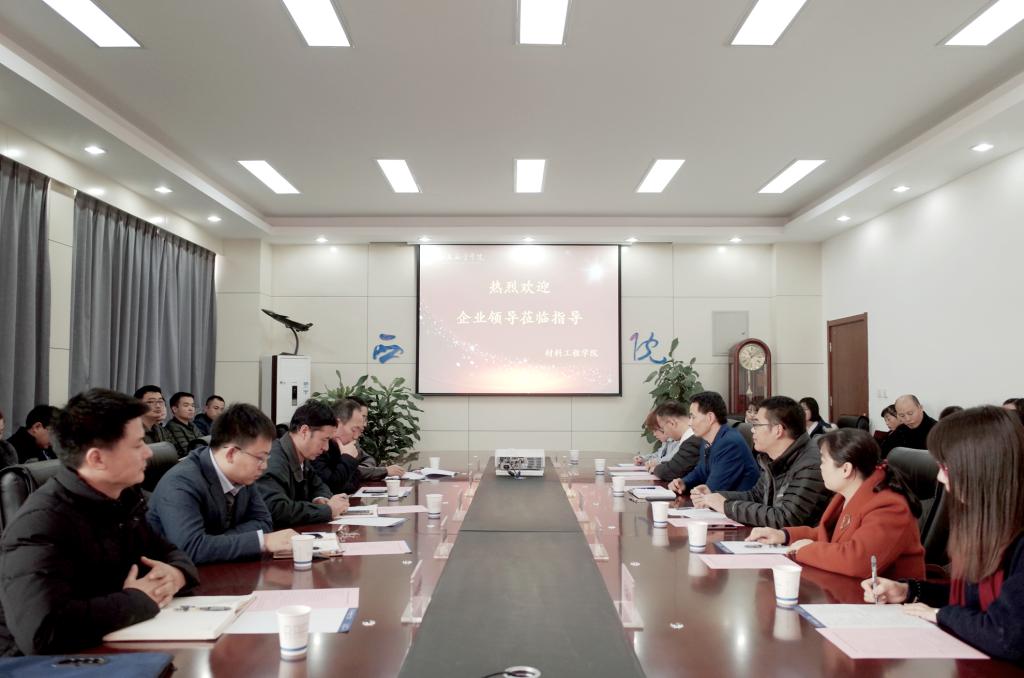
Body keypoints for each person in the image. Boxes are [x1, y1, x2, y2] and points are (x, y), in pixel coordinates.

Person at [0, 388, 199, 656]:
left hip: (114, 645)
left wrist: (176, 575)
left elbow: (169, 552)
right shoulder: (40, 524)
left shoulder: (123, 497)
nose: (148, 453)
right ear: (97, 458)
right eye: (138, 445)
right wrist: (138, 600)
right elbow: (43, 632)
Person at [863, 407, 1024, 663]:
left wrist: (940, 615)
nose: (939, 476)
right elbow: (974, 596)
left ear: (982, 469)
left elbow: (1006, 637)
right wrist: (908, 591)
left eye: (946, 467)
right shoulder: (989, 522)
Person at [748, 428, 924, 579]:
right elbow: (829, 535)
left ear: (846, 469)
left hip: (886, 602)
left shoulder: (889, 506)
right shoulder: (849, 494)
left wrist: (806, 550)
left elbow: (857, 561)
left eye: (824, 461)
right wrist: (784, 535)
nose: (820, 467)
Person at [148, 403, 299, 564]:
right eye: (260, 458)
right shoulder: (181, 483)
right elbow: (191, 548)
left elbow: (264, 522)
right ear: (231, 454)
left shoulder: (243, 475)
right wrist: (263, 541)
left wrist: (214, 542)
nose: (264, 466)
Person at [693, 396, 831, 528]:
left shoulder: (810, 464)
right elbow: (756, 496)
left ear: (778, 430)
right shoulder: (771, 458)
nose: (752, 429)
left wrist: (727, 506)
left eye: (757, 424)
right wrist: (715, 496)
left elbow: (786, 519)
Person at [256, 401, 350, 528]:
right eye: (324, 439)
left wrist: (320, 498)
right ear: (304, 431)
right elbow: (277, 509)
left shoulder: (300, 455)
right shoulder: (274, 461)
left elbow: (319, 485)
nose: (326, 448)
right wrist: (327, 510)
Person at [667, 392, 759, 495]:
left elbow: (713, 489)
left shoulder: (729, 443)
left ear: (710, 417)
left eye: (693, 417)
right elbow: (701, 471)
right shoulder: (708, 440)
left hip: (739, 504)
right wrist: (684, 482)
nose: (689, 423)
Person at [310, 399, 365, 495]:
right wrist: (347, 458)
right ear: (337, 424)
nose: (356, 437)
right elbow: (332, 487)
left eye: (359, 431)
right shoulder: (319, 447)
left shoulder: (340, 447)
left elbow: (354, 483)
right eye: (353, 430)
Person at [349, 397, 405, 484]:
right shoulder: (335, 441)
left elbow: (368, 458)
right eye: (362, 418)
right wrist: (384, 471)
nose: (364, 424)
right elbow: (349, 472)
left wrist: (364, 469)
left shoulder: (353, 439)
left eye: (365, 419)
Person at [650, 401, 701, 481]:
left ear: (672, 423)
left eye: (663, 428)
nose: (665, 433)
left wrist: (655, 468)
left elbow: (671, 471)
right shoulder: (691, 438)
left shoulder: (693, 441)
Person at [165, 392, 203, 458]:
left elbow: (203, 442)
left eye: (192, 405)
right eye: (186, 405)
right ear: (175, 409)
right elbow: (186, 451)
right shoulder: (172, 426)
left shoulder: (192, 425)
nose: (191, 409)